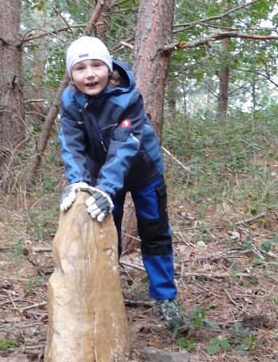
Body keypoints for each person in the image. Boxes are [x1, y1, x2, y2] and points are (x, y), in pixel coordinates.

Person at [58, 35, 185, 332]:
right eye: (80, 68)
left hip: (143, 172)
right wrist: (79, 184)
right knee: (103, 232)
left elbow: (125, 145)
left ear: (109, 66)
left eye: (96, 65)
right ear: (72, 75)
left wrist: (105, 189)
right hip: (102, 179)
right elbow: (71, 144)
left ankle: (166, 298)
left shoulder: (128, 97)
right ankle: (106, 291)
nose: (90, 74)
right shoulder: (70, 101)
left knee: (154, 232)